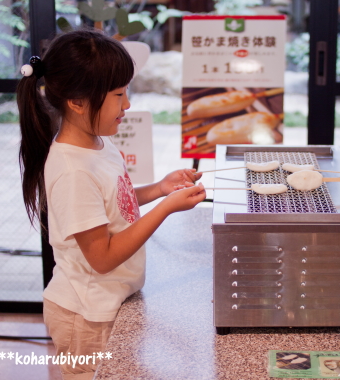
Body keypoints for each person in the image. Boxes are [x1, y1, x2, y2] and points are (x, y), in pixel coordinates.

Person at [17, 29, 206, 379]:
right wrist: (165, 209)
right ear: (77, 101)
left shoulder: (97, 144)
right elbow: (101, 258)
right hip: (85, 317)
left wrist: (159, 189)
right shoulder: (73, 170)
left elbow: (114, 201)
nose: (128, 104)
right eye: (118, 94)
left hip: (109, 304)